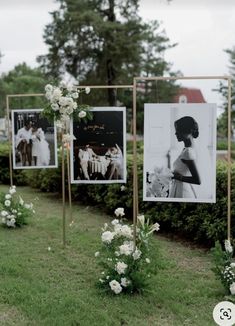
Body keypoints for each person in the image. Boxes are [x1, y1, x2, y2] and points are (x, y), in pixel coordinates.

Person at [169, 116, 201, 198]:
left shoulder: (188, 152)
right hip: (180, 188)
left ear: (188, 131)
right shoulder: (187, 149)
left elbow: (197, 180)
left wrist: (177, 177)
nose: (175, 133)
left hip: (182, 192)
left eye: (178, 130)